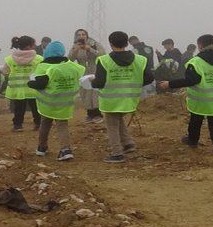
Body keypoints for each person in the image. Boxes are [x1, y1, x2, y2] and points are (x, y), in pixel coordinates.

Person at [160, 34, 213, 156]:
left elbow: (191, 80)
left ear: (200, 45)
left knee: (195, 120)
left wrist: (170, 84)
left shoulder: (196, 62)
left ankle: (192, 140)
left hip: (200, 99)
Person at [92, 31, 152, 163]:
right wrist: (132, 83)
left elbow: (99, 82)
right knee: (118, 119)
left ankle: (117, 153)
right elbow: (149, 78)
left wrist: (91, 82)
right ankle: (128, 143)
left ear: (111, 44)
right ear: (126, 43)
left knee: (112, 125)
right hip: (130, 99)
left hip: (111, 100)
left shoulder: (104, 61)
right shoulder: (140, 60)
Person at [28, 41, 84, 161]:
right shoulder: (71, 66)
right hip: (65, 102)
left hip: (47, 103)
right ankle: (65, 149)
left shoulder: (44, 66)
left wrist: (30, 83)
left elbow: (40, 84)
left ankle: (41, 148)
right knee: (62, 125)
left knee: (45, 123)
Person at [1, 35, 43, 131]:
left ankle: (17, 125)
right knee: (36, 108)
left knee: (19, 108)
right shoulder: (39, 59)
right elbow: (43, 71)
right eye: (34, 44)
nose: (35, 46)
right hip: (33, 88)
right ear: (29, 46)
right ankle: (38, 124)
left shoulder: (10, 59)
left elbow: (4, 71)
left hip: (18, 89)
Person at [68, 29, 104, 123]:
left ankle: (98, 114)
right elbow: (69, 59)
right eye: (79, 34)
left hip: (94, 71)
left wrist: (90, 49)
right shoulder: (75, 46)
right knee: (84, 94)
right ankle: (90, 114)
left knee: (94, 93)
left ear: (87, 35)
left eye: (83, 34)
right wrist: (75, 50)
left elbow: (103, 54)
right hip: (83, 72)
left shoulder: (94, 44)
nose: (81, 36)